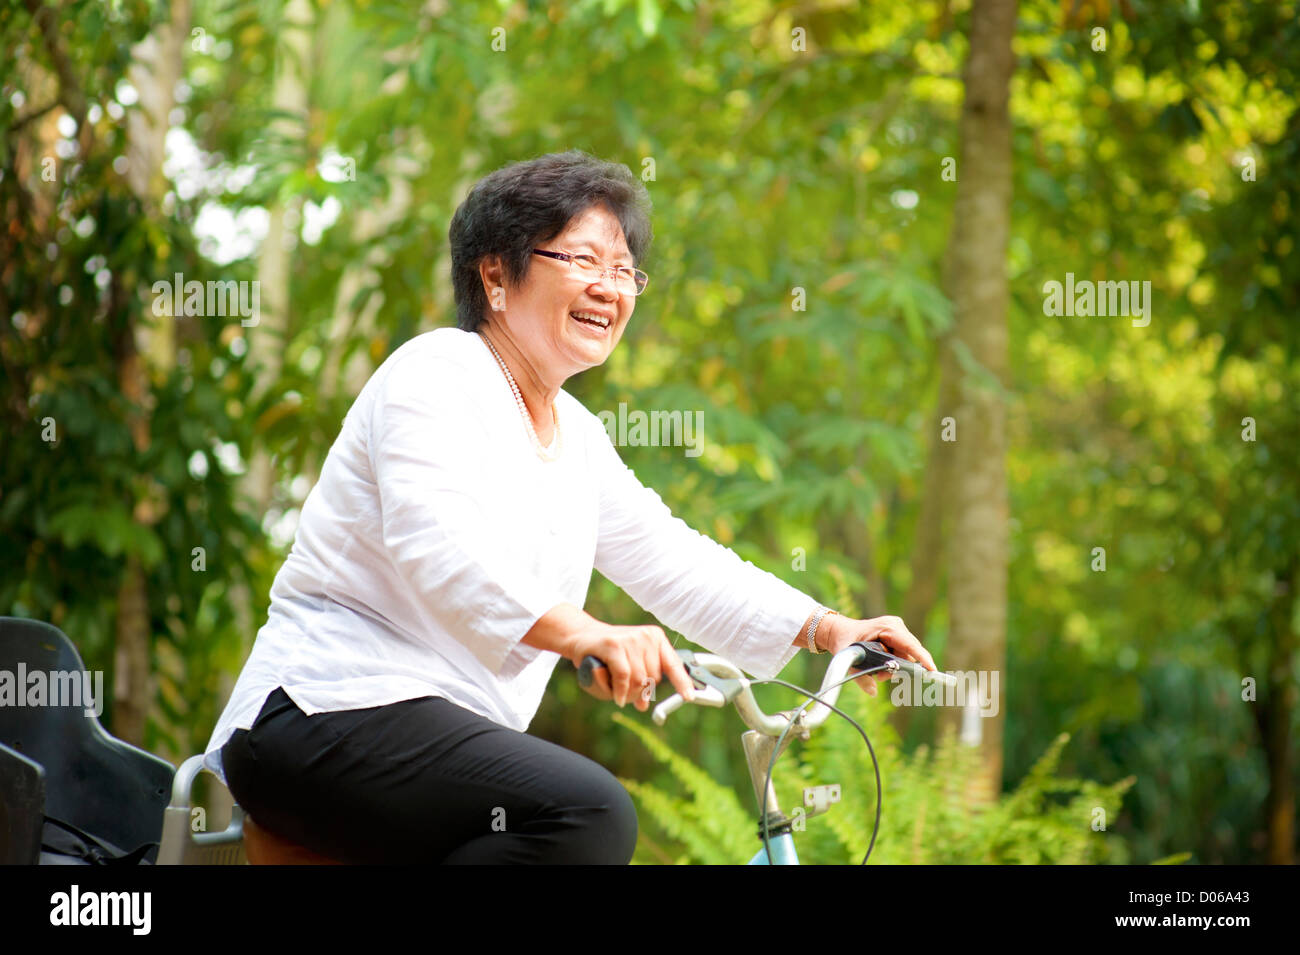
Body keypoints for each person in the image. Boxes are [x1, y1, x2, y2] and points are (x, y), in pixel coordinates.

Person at [202, 149, 937, 864]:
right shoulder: (437, 373)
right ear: (495, 274)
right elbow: (439, 545)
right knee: (589, 811)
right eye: (582, 260)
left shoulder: (578, 438)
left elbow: (671, 558)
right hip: (319, 711)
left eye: (624, 270)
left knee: (575, 813)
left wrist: (825, 626)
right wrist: (584, 633)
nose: (610, 288)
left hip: (431, 745)